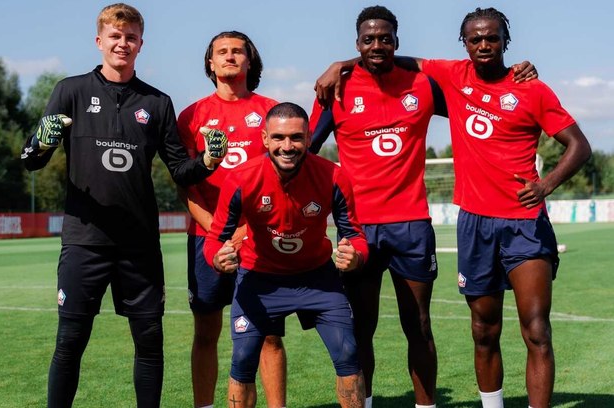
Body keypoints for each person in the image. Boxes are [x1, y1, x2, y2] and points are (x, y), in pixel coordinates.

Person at [319, 6, 591, 408]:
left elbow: (579, 145)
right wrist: (339, 65)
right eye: (475, 38)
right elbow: (386, 59)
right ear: (463, 44)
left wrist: (545, 184)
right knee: (481, 329)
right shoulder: (449, 77)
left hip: (516, 223)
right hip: (466, 224)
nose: (484, 44)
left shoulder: (523, 88)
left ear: (505, 41)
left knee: (535, 330)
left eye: (492, 37)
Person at [20, 4, 227, 407]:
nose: (123, 43)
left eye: (130, 37)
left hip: (139, 245)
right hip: (85, 241)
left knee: (149, 342)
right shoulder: (70, 91)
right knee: (70, 341)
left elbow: (179, 171)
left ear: (141, 44)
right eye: (115, 36)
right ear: (99, 41)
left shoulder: (158, 102)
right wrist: (40, 141)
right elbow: (31, 160)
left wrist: (207, 161)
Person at [308, 6, 445, 408]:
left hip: (412, 226)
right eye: (368, 39)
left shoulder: (423, 84)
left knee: (418, 325)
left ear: (397, 42)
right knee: (360, 327)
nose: (377, 45)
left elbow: (477, 96)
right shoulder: (336, 89)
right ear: (357, 45)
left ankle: (426, 405)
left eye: (385, 38)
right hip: (359, 228)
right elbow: (307, 151)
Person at [204, 102, 368, 408]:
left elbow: (355, 235)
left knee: (348, 353)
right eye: (279, 138)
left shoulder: (333, 177)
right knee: (242, 360)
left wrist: (355, 255)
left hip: (317, 278)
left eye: (296, 137)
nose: (287, 146)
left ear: (308, 138)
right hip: (259, 279)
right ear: (265, 139)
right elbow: (215, 239)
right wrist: (217, 258)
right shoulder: (240, 179)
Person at [176, 31, 287, 408]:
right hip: (206, 237)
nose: (229, 57)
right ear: (210, 62)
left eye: (237, 51)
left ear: (249, 60)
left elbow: (282, 179)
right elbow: (186, 186)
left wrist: (245, 232)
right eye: (221, 52)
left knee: (269, 334)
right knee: (206, 330)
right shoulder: (191, 115)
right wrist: (220, 232)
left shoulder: (272, 111)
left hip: (259, 239)